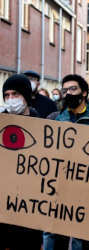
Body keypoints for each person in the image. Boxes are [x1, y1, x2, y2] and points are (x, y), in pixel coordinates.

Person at [43, 74, 89, 250]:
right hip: (57, 187)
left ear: (84, 93)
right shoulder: (54, 119)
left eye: (73, 89)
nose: (68, 93)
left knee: (82, 235)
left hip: (86, 188)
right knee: (52, 233)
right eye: (65, 90)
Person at [0, 74, 42, 250]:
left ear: (26, 96)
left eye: (15, 94)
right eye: (7, 95)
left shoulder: (43, 127)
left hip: (30, 209)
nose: (11, 99)